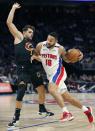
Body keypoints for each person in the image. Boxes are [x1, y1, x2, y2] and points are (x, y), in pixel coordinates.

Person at [6, 3, 54, 127]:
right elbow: (9, 23)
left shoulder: (31, 44)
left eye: (32, 32)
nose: (31, 34)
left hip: (33, 69)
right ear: (24, 32)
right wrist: (13, 8)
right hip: (23, 70)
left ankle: (42, 109)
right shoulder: (19, 37)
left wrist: (41, 57)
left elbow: (37, 57)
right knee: (21, 92)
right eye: (30, 32)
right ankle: (16, 118)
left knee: (42, 89)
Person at [34, 32, 94, 123]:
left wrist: (78, 57)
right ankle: (86, 110)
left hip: (58, 73)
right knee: (68, 98)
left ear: (56, 41)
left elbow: (67, 60)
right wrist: (35, 56)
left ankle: (66, 113)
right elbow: (37, 55)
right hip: (50, 75)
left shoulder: (60, 48)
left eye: (51, 40)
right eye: (48, 39)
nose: (48, 41)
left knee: (51, 89)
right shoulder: (40, 45)